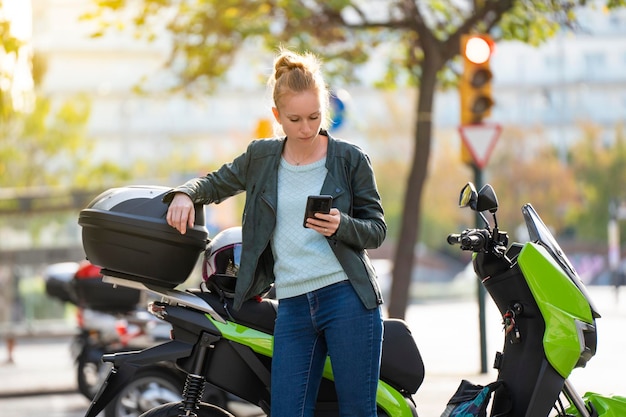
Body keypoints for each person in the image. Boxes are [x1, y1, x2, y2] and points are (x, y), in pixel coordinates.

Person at [165, 47, 386, 417]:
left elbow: (377, 229)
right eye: (295, 118)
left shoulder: (350, 159)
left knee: (357, 413)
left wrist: (341, 225)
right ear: (276, 116)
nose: (306, 128)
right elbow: (216, 184)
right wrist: (185, 194)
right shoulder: (261, 157)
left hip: (347, 298)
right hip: (294, 304)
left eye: (314, 117)